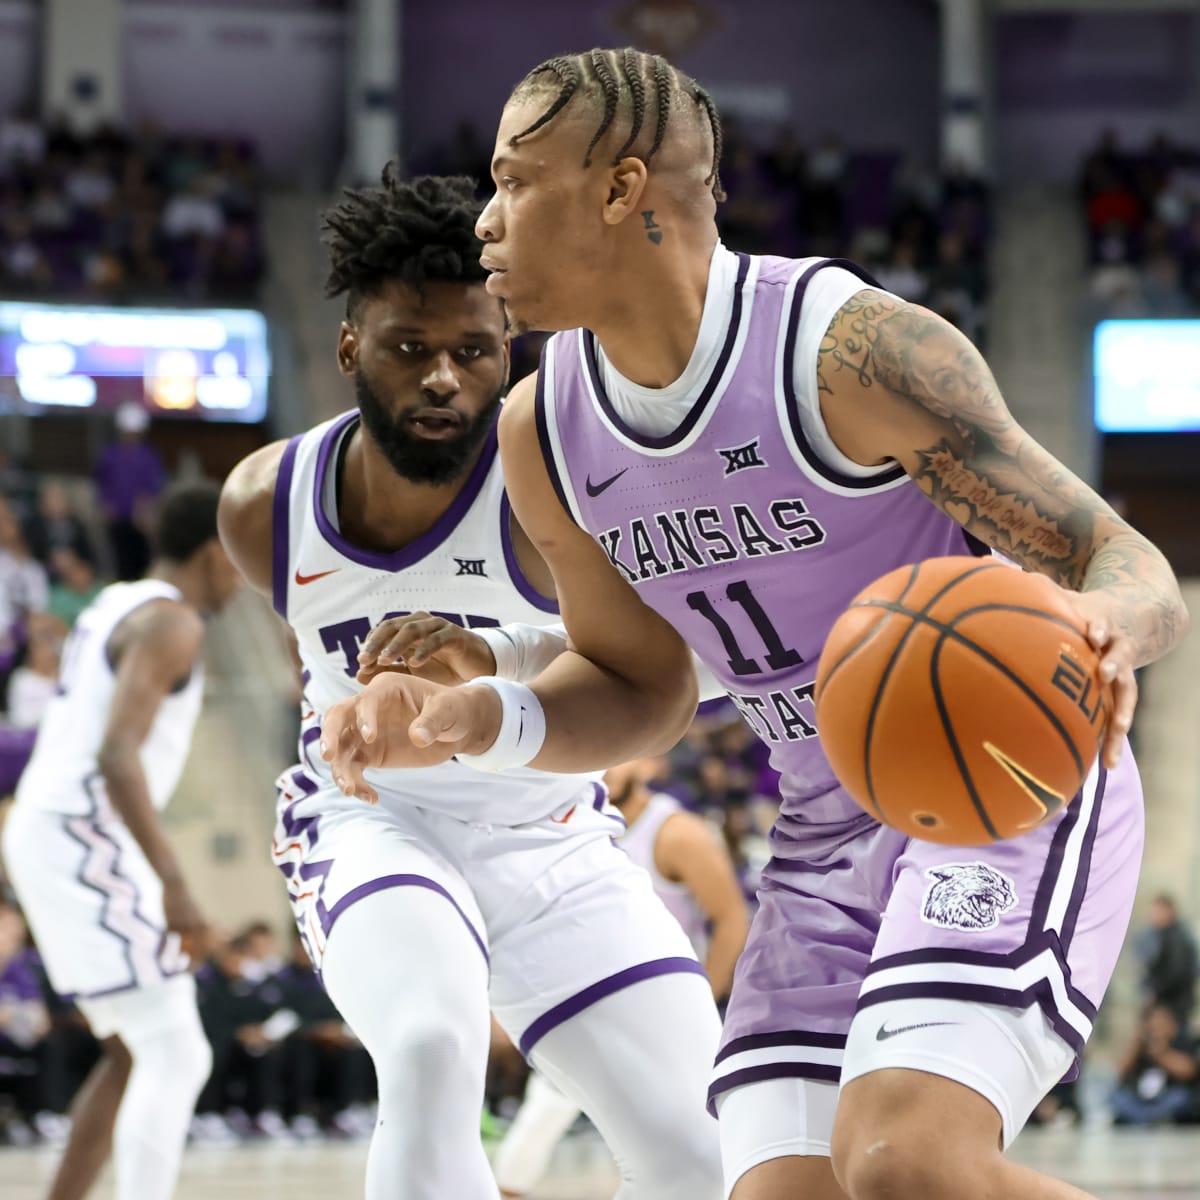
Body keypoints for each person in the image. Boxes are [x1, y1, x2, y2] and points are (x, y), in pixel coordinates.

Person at [322, 48, 1190, 1200]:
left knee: (905, 1163)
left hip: (999, 783)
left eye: (513, 182)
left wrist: (1101, 628)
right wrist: (476, 715)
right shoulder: (545, 428)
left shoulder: (848, 353)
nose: (485, 223)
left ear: (624, 189)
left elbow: (1121, 560)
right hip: (825, 827)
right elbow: (643, 690)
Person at [217, 169, 722, 1200]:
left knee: (698, 1150)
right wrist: (358, 722)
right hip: (376, 824)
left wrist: (488, 664)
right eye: (411, 348)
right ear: (352, 345)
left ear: (511, 353)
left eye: (473, 351)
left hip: (550, 838)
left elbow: (682, 680)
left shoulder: (571, 483)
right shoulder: (264, 507)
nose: (443, 377)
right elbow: (309, 669)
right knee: (429, 1049)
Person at [1, 481, 241, 1200]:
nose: (248, 576)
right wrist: (173, 882)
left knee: (131, 1052)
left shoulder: (114, 600)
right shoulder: (174, 625)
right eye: (240, 558)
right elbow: (116, 756)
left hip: (51, 829)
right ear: (211, 551)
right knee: (177, 1051)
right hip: (82, 832)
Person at [493, 754, 750, 1197]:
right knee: (541, 1118)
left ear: (649, 765)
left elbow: (731, 920)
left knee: (692, 1141)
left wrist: (701, 999)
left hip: (667, 1001)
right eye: (594, 755)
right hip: (585, 992)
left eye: (615, 755)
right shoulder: (567, 822)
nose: (603, 765)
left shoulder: (676, 833)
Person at [93, 402, 166, 582]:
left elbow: (154, 486)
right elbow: (101, 482)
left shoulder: (148, 456)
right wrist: (105, 505)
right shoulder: (110, 454)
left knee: (141, 561)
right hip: (116, 520)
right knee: (119, 562)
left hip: (140, 521)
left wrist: (145, 509)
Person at [1110, 1004, 1199, 1126]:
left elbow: (1189, 1071)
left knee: (1180, 1097)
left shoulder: (1181, 1043)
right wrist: (1136, 1044)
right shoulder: (1141, 1047)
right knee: (1118, 1096)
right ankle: (1147, 1119)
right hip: (1140, 1098)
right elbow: (1119, 1072)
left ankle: (1147, 1119)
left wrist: (1161, 1054)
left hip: (1166, 1098)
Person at [1137, 894, 1198, 1030]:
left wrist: (1155, 992)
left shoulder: (1176, 939)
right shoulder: (1167, 936)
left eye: (1157, 911)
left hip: (1172, 1008)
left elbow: (1176, 973)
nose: (1152, 916)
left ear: (1169, 911)